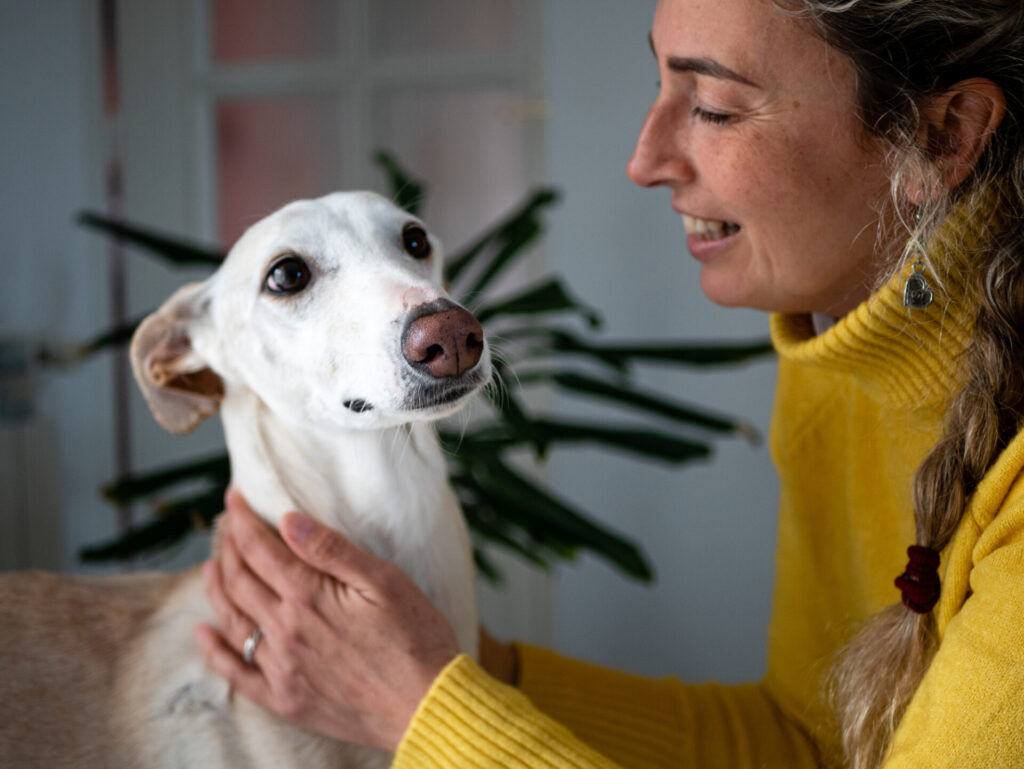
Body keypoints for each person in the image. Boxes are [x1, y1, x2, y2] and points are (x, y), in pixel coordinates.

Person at [194, 0, 1024, 766]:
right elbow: (804, 741)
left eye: (714, 106)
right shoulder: (836, 359)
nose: (644, 159)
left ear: (946, 136)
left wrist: (418, 710)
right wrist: (480, 671)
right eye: (658, 82)